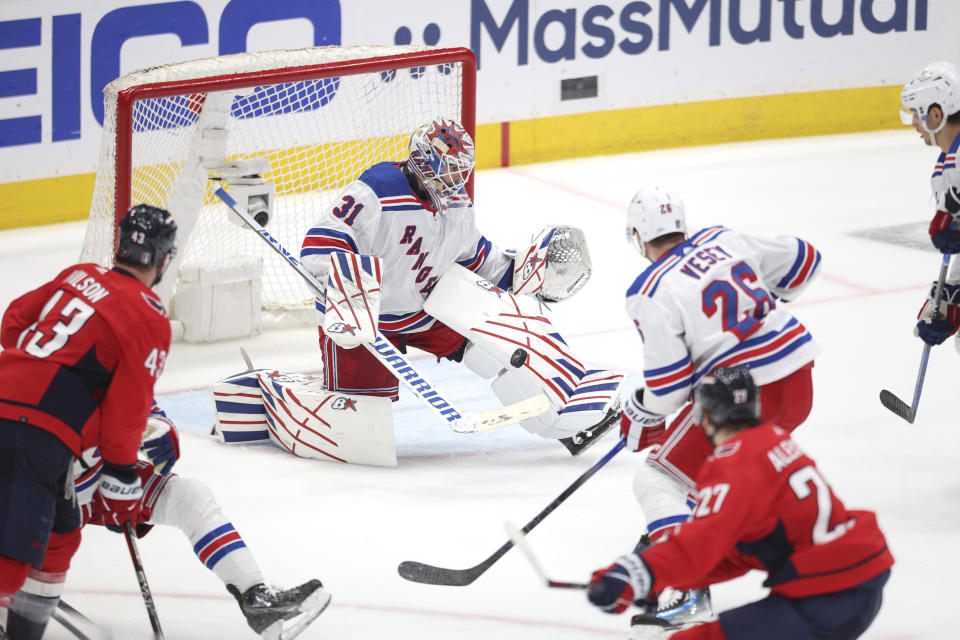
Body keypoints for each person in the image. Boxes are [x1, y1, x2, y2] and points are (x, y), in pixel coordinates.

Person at [298, 117, 618, 455]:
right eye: (450, 169)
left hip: (426, 313)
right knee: (361, 426)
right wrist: (348, 297)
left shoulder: (456, 203)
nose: (457, 178)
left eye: (460, 170)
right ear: (426, 162)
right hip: (368, 320)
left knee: (503, 348)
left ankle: (563, 419)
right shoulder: (378, 188)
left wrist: (518, 274)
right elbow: (320, 246)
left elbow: (475, 254)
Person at [615, 186, 822, 625]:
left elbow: (669, 388)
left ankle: (687, 591)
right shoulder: (722, 239)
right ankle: (662, 555)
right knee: (708, 478)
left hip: (744, 395)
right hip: (799, 382)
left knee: (660, 481)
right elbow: (805, 258)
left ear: (638, 237)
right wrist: (764, 308)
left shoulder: (649, 289)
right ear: (681, 225)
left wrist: (638, 410)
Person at [587, 365, 894, 640]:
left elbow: (700, 545)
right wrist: (651, 581)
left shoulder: (732, 463)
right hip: (858, 582)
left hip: (825, 596)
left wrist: (636, 572)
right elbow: (741, 553)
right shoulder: (773, 439)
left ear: (704, 417)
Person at [0, 204, 177, 639]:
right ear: (164, 259)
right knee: (9, 563)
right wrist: (120, 472)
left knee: (61, 532)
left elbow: (13, 323)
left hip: (13, 404)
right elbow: (127, 408)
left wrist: (45, 375)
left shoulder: (77, 275)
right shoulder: (149, 317)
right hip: (33, 432)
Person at [8, 403, 329, 640]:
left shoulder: (104, 359)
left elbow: (147, 410)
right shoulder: (24, 376)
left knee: (188, 495)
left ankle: (258, 601)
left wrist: (160, 431)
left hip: (95, 482)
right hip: (31, 497)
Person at [899, 62, 960, 347]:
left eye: (916, 114)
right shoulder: (946, 167)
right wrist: (951, 292)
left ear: (936, 114)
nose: (913, 123)